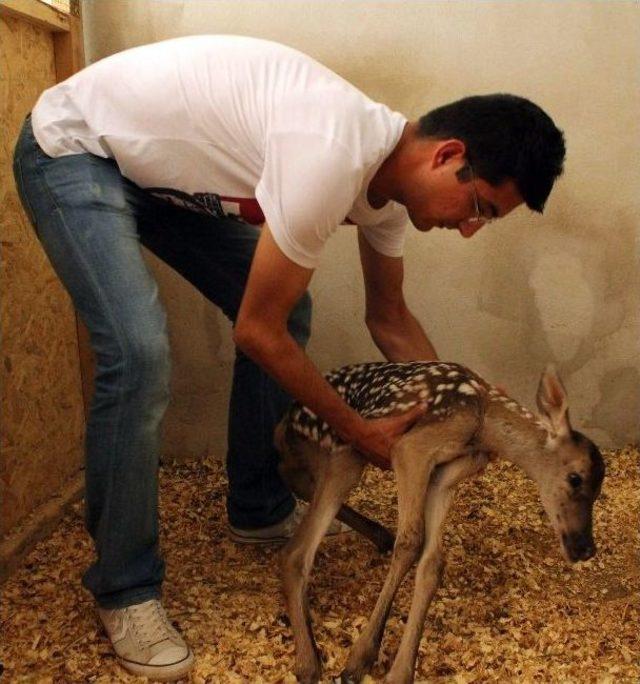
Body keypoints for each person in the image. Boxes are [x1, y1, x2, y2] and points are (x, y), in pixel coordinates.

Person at [13, 35, 565, 681]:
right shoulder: (330, 152)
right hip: (77, 150)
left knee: (289, 313)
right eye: (477, 209)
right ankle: (125, 588)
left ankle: (259, 507)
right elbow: (257, 333)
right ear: (448, 155)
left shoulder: (386, 190)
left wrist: (466, 404)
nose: (470, 230)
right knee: (139, 355)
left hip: (155, 178)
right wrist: (358, 432)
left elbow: (389, 320)